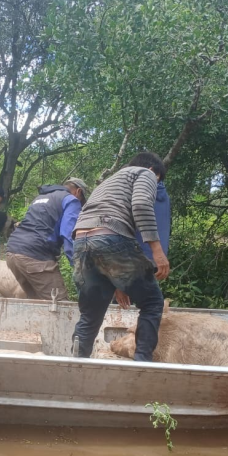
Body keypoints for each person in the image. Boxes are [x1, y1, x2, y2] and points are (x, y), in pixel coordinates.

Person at [71, 152, 170, 361]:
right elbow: (141, 205)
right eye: (157, 180)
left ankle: (75, 366)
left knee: (90, 314)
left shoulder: (109, 182)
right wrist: (157, 251)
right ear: (153, 170)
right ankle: (142, 365)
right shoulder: (145, 173)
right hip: (110, 235)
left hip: (81, 241)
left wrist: (118, 283)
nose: (155, 184)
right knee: (152, 302)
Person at [5, 178, 88, 300]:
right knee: (59, 304)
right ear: (78, 192)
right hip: (35, 255)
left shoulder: (40, 198)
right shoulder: (72, 200)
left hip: (12, 251)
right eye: (82, 202)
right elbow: (68, 235)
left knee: (38, 303)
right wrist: (79, 266)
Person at [116, 176, 171, 309]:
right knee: (151, 304)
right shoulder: (161, 193)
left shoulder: (138, 189)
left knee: (125, 304)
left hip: (134, 257)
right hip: (152, 258)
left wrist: (118, 283)